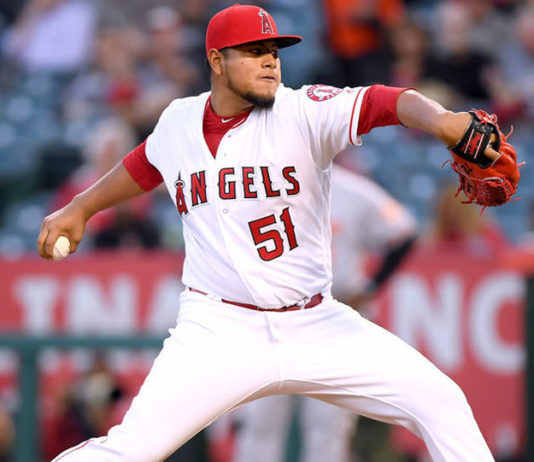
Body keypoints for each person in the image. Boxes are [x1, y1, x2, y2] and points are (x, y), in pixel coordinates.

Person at [37, 4, 501, 461]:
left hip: (316, 323)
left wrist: (442, 120)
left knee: (441, 403)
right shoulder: (179, 121)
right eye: (253, 51)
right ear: (217, 61)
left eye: (274, 52)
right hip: (219, 330)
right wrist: (82, 206)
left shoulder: (302, 111)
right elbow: (144, 164)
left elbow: (383, 101)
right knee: (132, 449)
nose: (269, 62)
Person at [232, 163, 417, 462]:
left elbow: (405, 231)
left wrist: (371, 287)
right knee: (259, 421)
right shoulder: (263, 188)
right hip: (273, 317)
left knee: (328, 426)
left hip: (333, 316)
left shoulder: (353, 191)